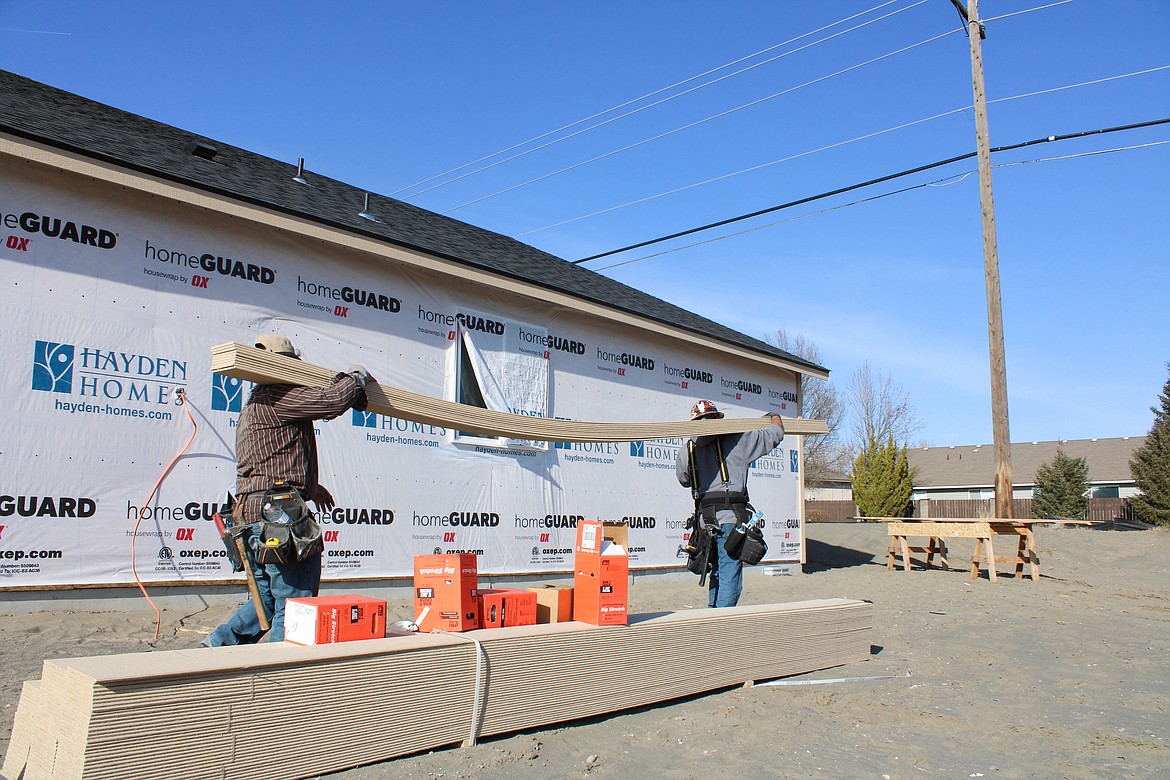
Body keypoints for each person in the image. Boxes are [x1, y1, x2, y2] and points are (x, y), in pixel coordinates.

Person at [207, 333, 370, 645]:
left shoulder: (256, 403)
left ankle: (217, 648)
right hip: (277, 516)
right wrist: (356, 378)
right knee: (295, 604)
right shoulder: (277, 395)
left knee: (265, 601)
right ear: (287, 365)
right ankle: (280, 673)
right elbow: (331, 401)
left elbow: (273, 461)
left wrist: (311, 487)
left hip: (251, 513)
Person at [675, 399, 785, 608]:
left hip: (704, 522)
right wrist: (774, 416)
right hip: (730, 519)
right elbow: (775, 434)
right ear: (717, 419)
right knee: (729, 573)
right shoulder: (737, 440)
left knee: (716, 572)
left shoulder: (687, 450)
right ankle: (721, 625)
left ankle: (711, 619)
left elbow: (684, 479)